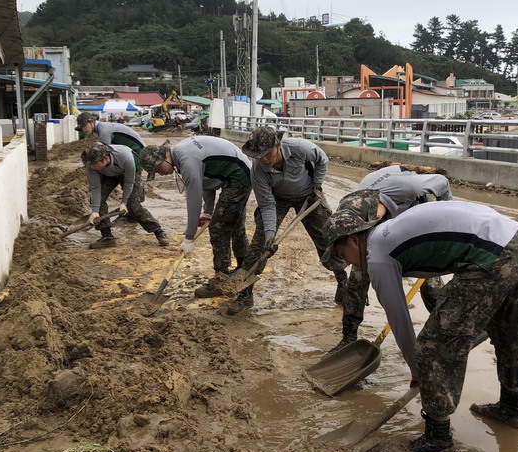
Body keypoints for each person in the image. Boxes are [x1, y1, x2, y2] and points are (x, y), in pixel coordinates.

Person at [322, 190, 518, 452]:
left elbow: (400, 321)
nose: (348, 262)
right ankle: (512, 407)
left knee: (432, 347)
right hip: (516, 239)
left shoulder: (378, 257)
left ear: (353, 238)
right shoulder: (386, 233)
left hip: (492, 255)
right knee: (509, 328)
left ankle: (437, 440)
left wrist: (418, 369)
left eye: (343, 253)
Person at [225, 126, 349, 316]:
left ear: (278, 146)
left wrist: (317, 185)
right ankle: (244, 294)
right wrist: (270, 236)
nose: (264, 159)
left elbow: (322, 159)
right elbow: (267, 205)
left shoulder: (299, 148)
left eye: (268, 154)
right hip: (277, 199)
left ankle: (343, 283)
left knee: (327, 238)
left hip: (308, 195)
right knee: (259, 246)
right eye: (259, 156)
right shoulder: (257, 170)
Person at [339, 166, 454, 349]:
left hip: (413, 222)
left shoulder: (409, 187)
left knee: (430, 282)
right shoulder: (357, 202)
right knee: (357, 279)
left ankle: (450, 333)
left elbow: (442, 183)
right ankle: (348, 338)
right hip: (384, 225)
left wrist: (446, 218)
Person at [139, 136, 252, 283]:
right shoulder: (180, 153)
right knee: (234, 224)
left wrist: (189, 237)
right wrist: (208, 211)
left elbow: (194, 199)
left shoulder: (187, 161)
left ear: (163, 157)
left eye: (158, 169)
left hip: (238, 176)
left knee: (218, 227)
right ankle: (245, 268)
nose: (160, 174)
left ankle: (221, 279)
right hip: (234, 174)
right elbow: (207, 181)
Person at [81, 142, 169, 249]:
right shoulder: (92, 165)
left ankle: (158, 231)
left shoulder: (125, 157)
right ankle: (107, 237)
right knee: (98, 201)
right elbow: (95, 188)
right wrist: (95, 211)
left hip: (130, 173)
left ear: (105, 159)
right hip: (108, 174)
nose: (92, 167)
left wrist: (124, 202)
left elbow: (129, 182)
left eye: (94, 165)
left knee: (133, 206)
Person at [75, 112, 145, 159]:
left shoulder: (103, 130)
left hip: (137, 148)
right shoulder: (101, 128)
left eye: (85, 125)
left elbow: (105, 152)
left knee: (132, 174)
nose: (84, 129)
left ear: (92, 121)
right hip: (130, 148)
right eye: (82, 128)